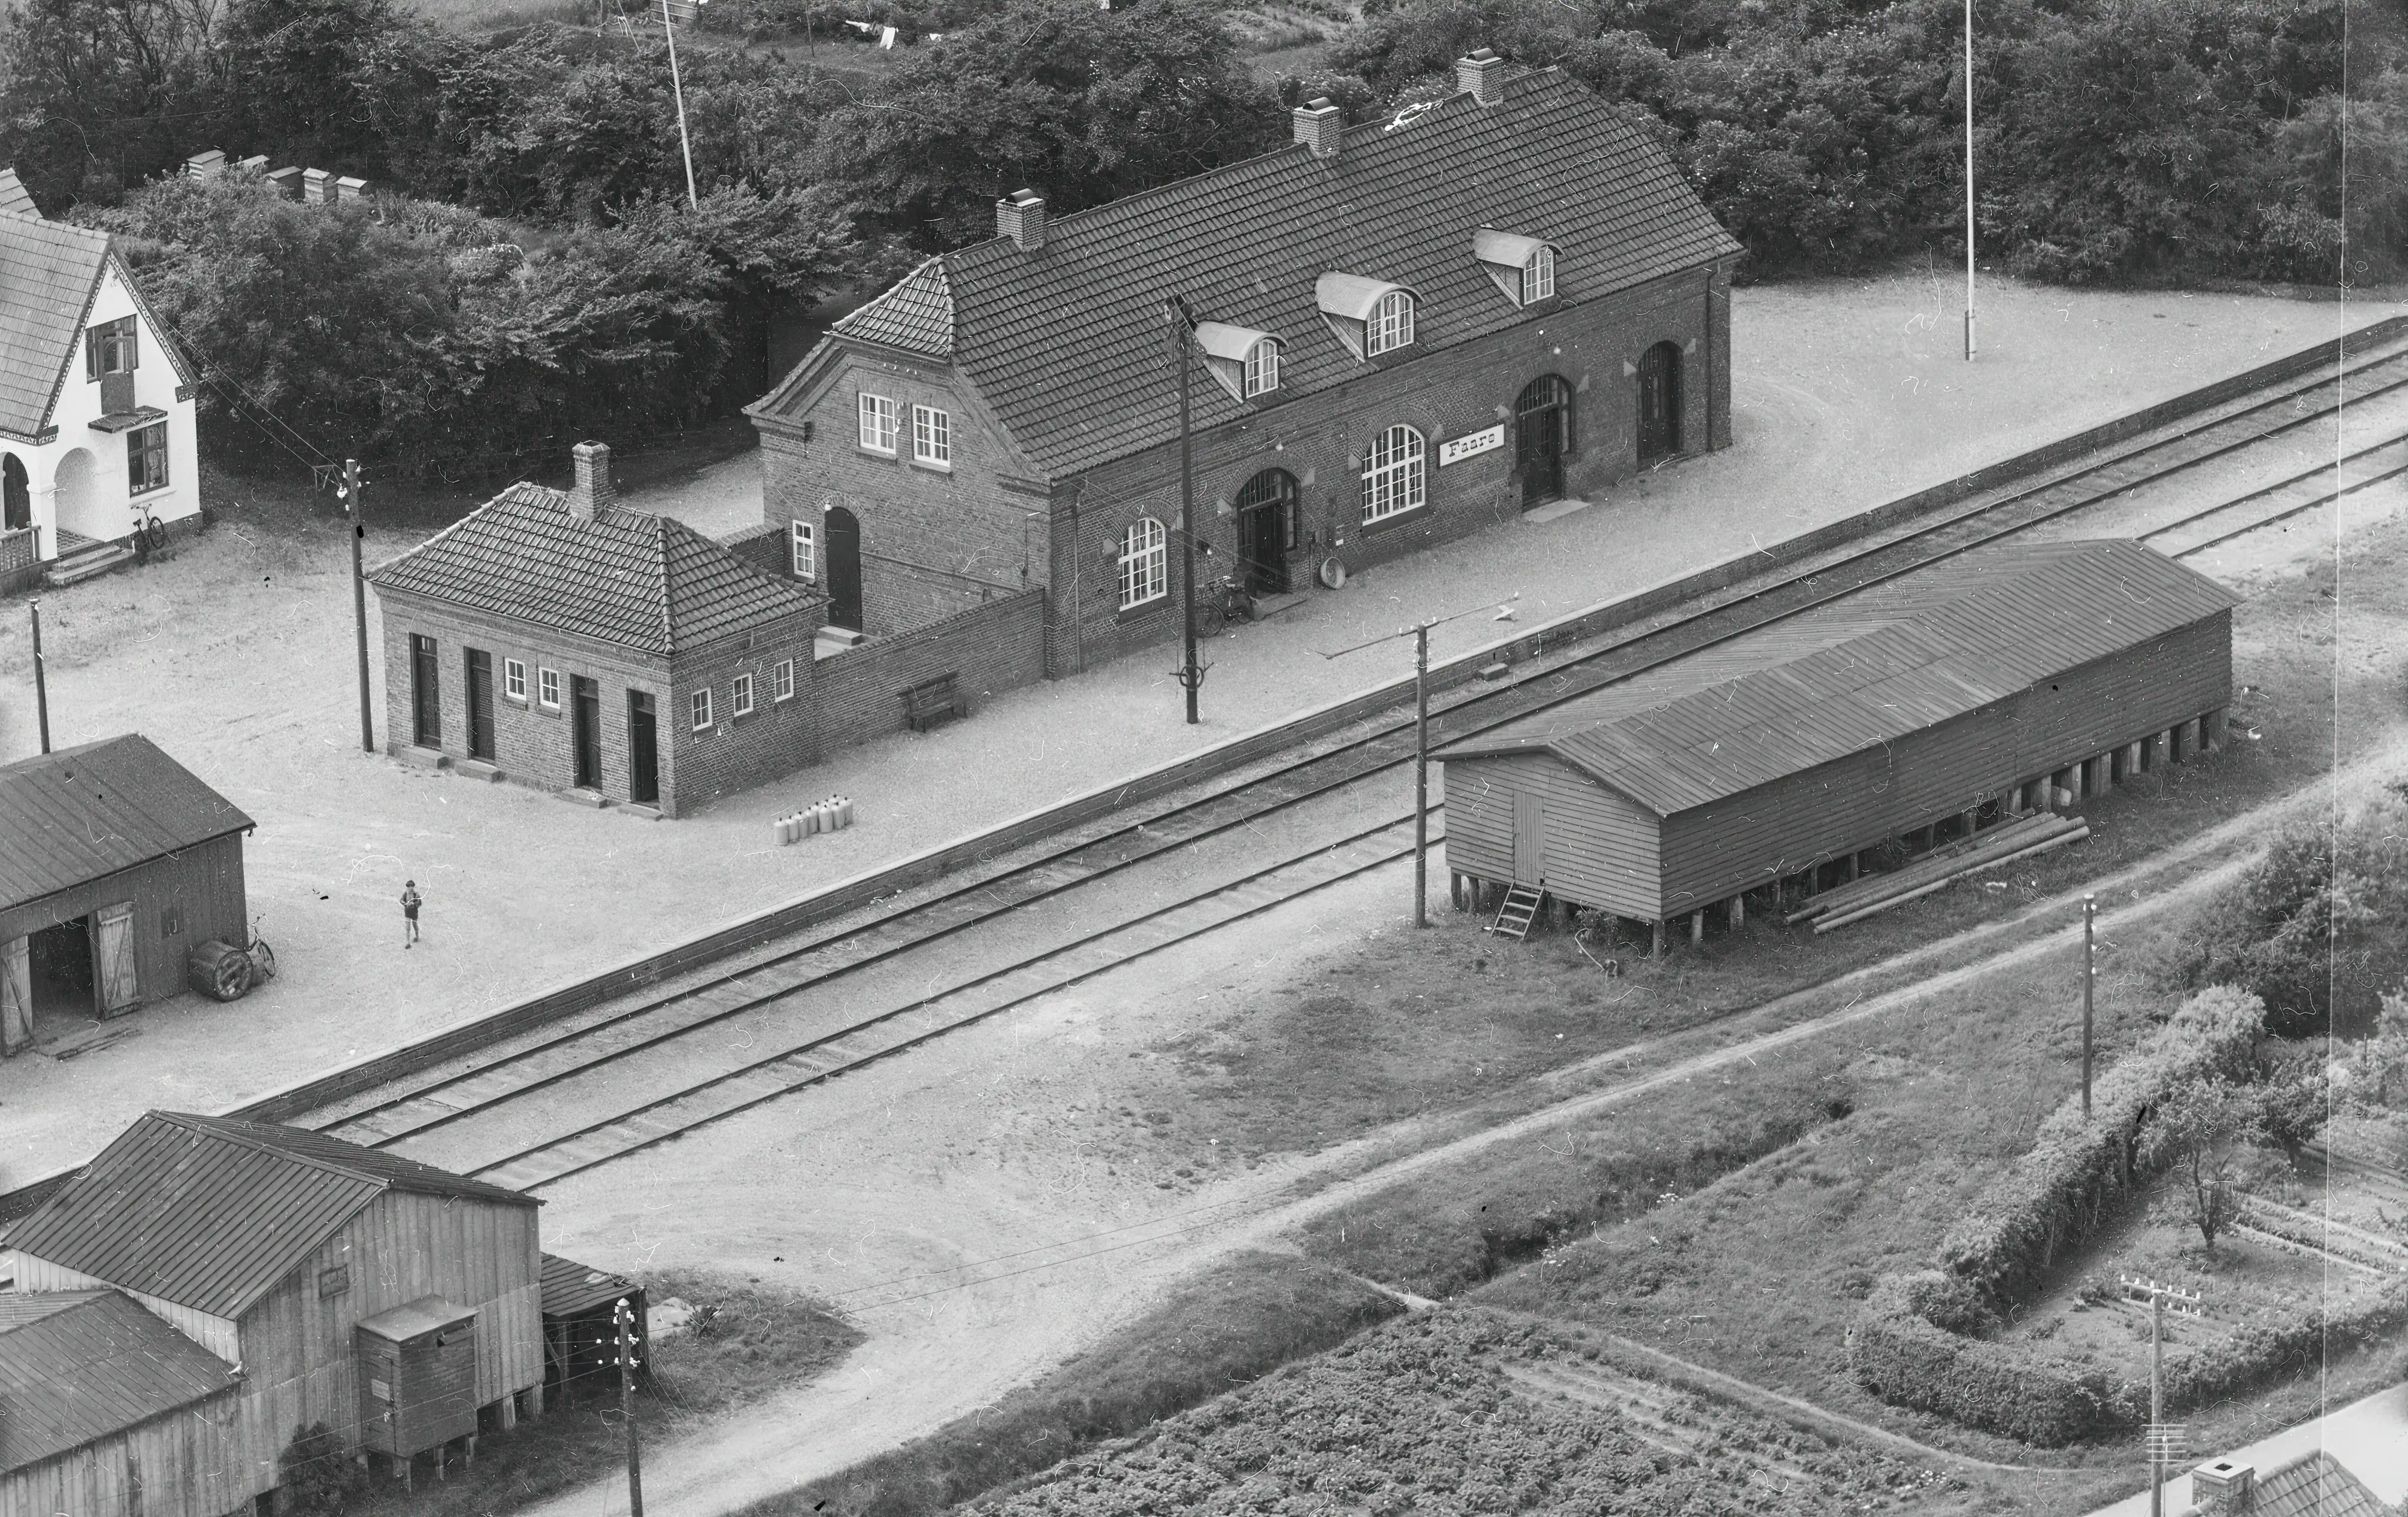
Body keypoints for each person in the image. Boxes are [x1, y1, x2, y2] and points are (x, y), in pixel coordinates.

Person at [401, 880, 422, 947]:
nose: (410, 888)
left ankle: (417, 937)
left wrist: (414, 904)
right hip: (407, 912)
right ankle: (408, 943)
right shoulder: (405, 894)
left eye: (411, 887)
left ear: (413, 887)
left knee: (415, 924)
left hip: (414, 912)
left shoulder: (416, 894)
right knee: (408, 928)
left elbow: (420, 902)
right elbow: (401, 900)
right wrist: (405, 904)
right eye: (408, 887)